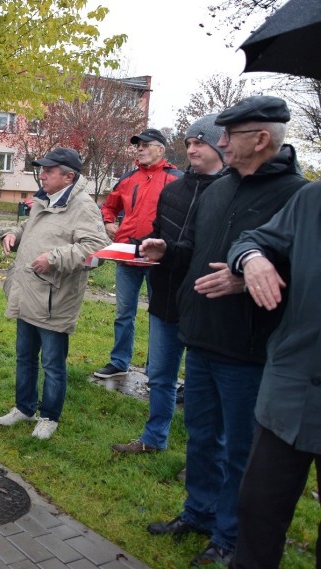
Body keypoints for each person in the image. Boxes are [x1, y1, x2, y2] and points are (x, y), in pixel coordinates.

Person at [141, 96, 308, 566]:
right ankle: (198, 512)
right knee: (200, 434)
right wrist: (167, 251)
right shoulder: (219, 189)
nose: (219, 144)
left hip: (249, 349)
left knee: (240, 448)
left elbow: (305, 275)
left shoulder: (297, 196)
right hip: (202, 337)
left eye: (228, 135)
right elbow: (197, 249)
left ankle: (230, 536)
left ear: (260, 139)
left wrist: (246, 278)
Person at [112, 115, 226, 453]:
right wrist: (142, 245)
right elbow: (161, 233)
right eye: (189, 142)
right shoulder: (174, 189)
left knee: (204, 385)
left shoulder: (230, 192)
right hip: (165, 298)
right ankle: (154, 438)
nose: (191, 148)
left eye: (199, 142)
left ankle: (203, 454)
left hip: (207, 301)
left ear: (221, 145)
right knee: (159, 376)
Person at [225, 183, 320, 568]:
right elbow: (252, 239)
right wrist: (251, 259)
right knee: (258, 510)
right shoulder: (312, 199)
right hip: (291, 391)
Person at [0, 148, 110, 439]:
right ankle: (24, 408)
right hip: (28, 292)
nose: (42, 175)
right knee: (24, 356)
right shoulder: (43, 199)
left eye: (49, 171)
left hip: (54, 299)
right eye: (41, 170)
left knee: (52, 364)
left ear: (69, 176)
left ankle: (49, 416)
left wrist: (54, 259)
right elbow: (28, 227)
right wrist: (13, 234)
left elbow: (97, 250)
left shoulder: (83, 206)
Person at [94, 128, 182, 379]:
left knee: (160, 315)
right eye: (138, 145)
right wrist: (109, 222)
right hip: (127, 254)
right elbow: (108, 207)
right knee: (124, 312)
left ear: (161, 149)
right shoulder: (128, 179)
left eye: (146, 144)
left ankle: (156, 370)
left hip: (159, 259)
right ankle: (119, 362)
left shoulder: (176, 178)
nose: (140, 149)